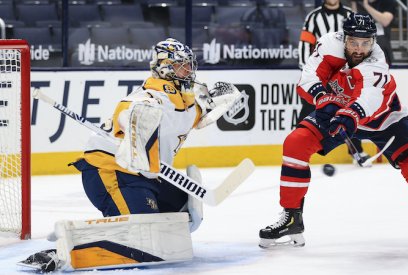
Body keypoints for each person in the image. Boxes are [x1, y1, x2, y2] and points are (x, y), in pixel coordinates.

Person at [18, 38, 241, 272]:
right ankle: (64, 252)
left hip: (146, 175)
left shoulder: (186, 101)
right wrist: (139, 119)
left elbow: (201, 112)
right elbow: (127, 109)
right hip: (110, 170)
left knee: (181, 212)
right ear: (164, 68)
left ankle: (105, 231)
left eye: (189, 65)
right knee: (138, 236)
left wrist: (219, 100)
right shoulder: (149, 98)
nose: (188, 70)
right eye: (181, 65)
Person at [259, 13, 408, 251]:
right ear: (344, 38)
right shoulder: (330, 43)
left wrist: (348, 116)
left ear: (373, 42)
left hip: (384, 119)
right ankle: (291, 218)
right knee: (295, 143)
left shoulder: (378, 60)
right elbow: (309, 75)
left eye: (366, 43)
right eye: (353, 42)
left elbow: (368, 98)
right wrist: (324, 100)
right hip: (338, 110)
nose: (359, 49)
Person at [298, 0, 371, 166]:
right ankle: (299, 150)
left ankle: (356, 150)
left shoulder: (349, 15)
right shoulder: (313, 17)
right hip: (321, 74)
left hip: (344, 76)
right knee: (308, 110)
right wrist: (308, 72)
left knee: (348, 111)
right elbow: (304, 45)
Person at [352, 0, 396, 66]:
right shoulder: (355, 2)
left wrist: (366, 6)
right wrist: (353, 3)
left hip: (381, 48)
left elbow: (385, 21)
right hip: (360, 49)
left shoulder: (388, 2)